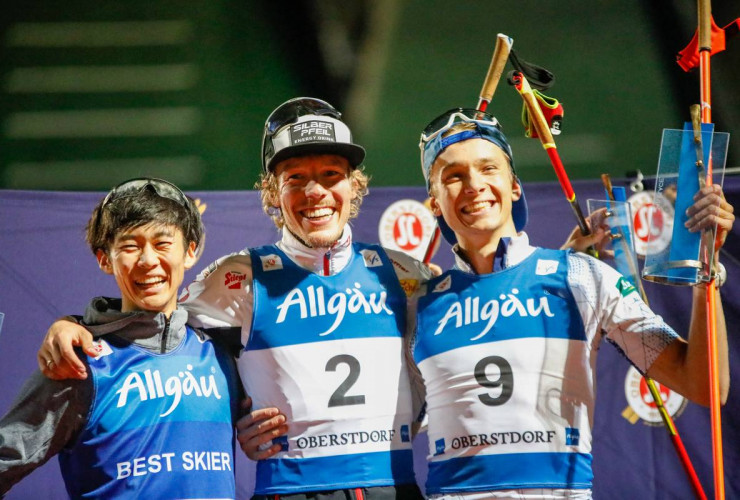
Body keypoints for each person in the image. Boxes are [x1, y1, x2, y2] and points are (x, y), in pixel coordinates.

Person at [38, 98, 432, 499]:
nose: (315, 191)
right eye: (295, 178)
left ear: (354, 184)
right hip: (291, 491)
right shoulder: (240, 277)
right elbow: (154, 323)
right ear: (273, 192)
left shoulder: (404, 275)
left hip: (396, 488)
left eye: (332, 174)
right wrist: (76, 325)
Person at [410, 108, 732, 498]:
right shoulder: (418, 304)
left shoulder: (582, 278)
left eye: (488, 168)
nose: (474, 185)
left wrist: (705, 270)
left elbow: (704, 386)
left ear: (514, 185)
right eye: (454, 176)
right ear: (433, 203)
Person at [0, 178, 240, 498]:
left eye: (163, 243)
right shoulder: (80, 362)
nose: (147, 260)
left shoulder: (221, 355)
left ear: (190, 251)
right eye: (130, 246)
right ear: (104, 259)